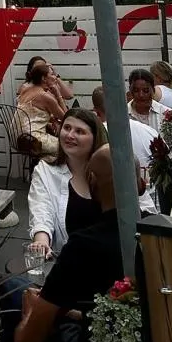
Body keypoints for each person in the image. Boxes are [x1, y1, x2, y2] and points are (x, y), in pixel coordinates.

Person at [7, 147, 143, 342]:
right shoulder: (157, 237)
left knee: (14, 293)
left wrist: (29, 315)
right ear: (141, 183)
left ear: (92, 182)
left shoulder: (83, 247)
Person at [28, 109, 106, 259]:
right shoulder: (45, 171)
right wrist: (41, 241)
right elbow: (41, 210)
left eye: (79, 131)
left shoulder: (108, 170)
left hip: (107, 260)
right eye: (67, 128)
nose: (70, 135)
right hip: (69, 261)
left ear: (95, 138)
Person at [91, 86, 157, 212]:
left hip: (113, 212)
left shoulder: (93, 137)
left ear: (97, 112)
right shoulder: (150, 132)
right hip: (153, 210)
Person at [14, 63, 65, 162]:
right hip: (32, 140)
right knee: (67, 146)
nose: (55, 77)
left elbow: (32, 113)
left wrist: (51, 119)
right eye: (52, 74)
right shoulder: (44, 96)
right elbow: (66, 118)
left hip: (17, 138)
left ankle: (41, 165)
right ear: (44, 78)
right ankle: (44, 167)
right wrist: (58, 94)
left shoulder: (25, 89)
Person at [127, 68, 166, 133]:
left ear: (153, 90)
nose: (141, 95)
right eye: (136, 90)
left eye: (146, 91)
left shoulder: (165, 113)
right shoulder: (123, 115)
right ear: (130, 90)